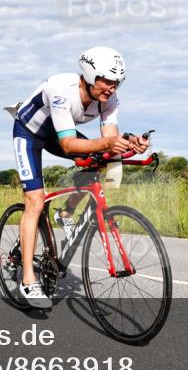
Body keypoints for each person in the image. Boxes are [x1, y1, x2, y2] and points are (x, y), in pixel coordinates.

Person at [8, 47, 149, 308]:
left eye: (116, 82)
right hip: (30, 133)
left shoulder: (111, 99)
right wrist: (108, 145)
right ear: (89, 75)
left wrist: (129, 143)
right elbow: (69, 146)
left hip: (62, 134)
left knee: (102, 162)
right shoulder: (61, 88)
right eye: (106, 80)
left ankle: (66, 212)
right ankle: (28, 279)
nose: (111, 88)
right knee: (35, 203)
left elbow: (109, 139)